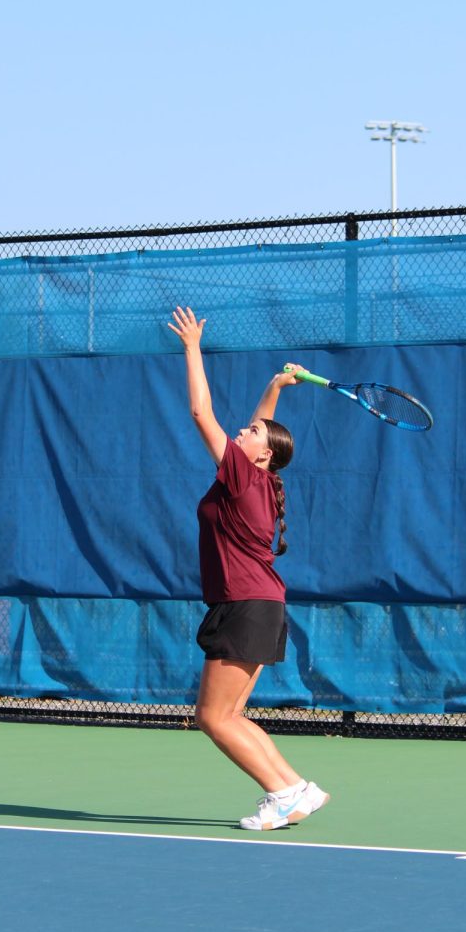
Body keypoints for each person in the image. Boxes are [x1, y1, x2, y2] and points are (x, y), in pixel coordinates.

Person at [168, 305, 329, 831]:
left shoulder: (241, 476)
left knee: (212, 718)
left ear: (264, 455)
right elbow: (263, 425)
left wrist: (192, 348)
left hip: (243, 605)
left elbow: (200, 413)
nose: (245, 428)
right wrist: (275, 387)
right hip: (259, 605)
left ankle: (281, 791)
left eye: (253, 430)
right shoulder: (255, 478)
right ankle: (296, 788)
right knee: (230, 714)